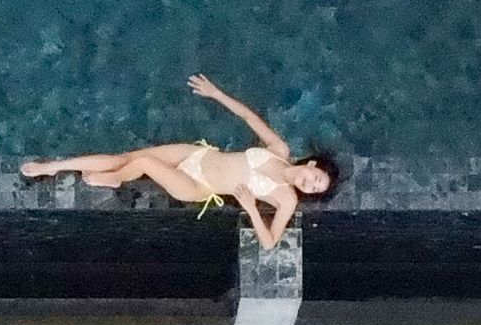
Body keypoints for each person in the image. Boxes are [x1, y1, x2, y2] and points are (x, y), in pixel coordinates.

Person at [21, 75, 336, 249]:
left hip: (199, 185)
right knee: (127, 157)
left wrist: (252, 208)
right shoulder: (279, 148)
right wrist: (215, 93)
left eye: (314, 189)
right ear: (311, 165)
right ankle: (52, 167)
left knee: (143, 161)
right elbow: (248, 117)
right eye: (316, 177)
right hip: (197, 155)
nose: (309, 184)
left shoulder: (286, 199)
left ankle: (116, 179)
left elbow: (269, 243)